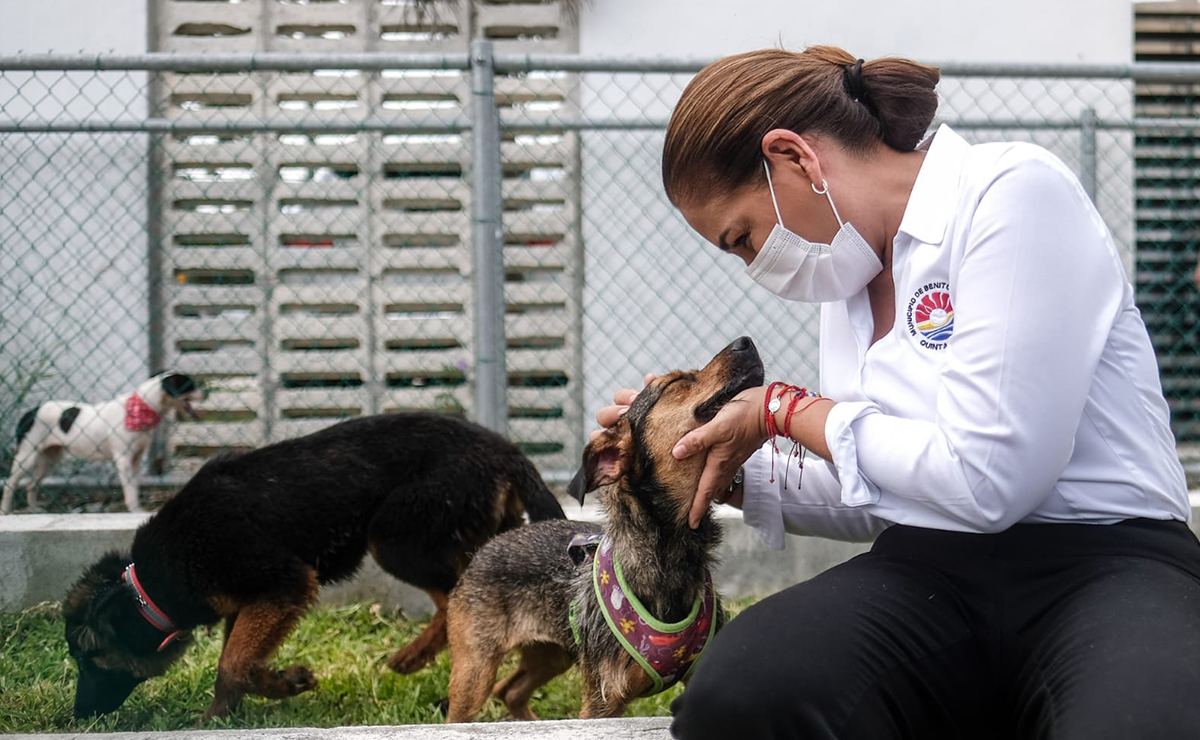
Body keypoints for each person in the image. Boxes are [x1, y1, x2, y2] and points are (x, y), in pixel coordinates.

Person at [594, 46, 1200, 739]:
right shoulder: (847, 276)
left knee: (1140, 720)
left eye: (742, 237)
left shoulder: (1012, 193)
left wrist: (786, 412)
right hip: (931, 571)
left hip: (1107, 558)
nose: (752, 263)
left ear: (794, 157)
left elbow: (990, 481)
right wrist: (713, 468)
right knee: (746, 691)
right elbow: (887, 485)